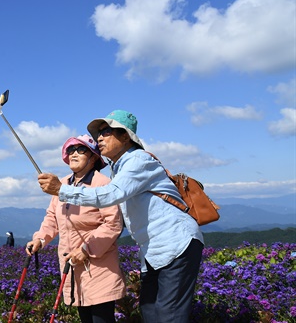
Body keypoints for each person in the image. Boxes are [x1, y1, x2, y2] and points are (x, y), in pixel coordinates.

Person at [37, 110, 204, 323]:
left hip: (176, 243)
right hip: (154, 251)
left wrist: (62, 190)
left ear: (125, 136)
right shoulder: (119, 168)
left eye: (106, 132)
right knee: (151, 311)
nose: (99, 138)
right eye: (99, 133)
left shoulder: (138, 161)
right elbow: (54, 216)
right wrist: (41, 237)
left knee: (168, 314)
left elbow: (111, 195)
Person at [27, 134, 126, 323]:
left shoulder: (102, 184)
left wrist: (86, 249)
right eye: (70, 150)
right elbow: (52, 218)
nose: (74, 153)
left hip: (99, 268)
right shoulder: (61, 185)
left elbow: (112, 224)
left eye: (81, 150)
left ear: (93, 157)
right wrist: (40, 239)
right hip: (72, 267)